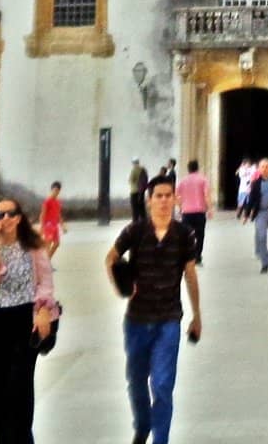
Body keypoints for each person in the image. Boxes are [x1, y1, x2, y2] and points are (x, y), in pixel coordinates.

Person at [106, 174, 201, 444]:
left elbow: (190, 275)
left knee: (161, 384)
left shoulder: (184, 234)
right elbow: (110, 259)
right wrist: (120, 287)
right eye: (158, 196)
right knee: (136, 381)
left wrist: (197, 316)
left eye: (167, 196)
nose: (163, 201)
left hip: (168, 320)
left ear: (175, 199)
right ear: (149, 201)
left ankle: (161, 439)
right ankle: (142, 424)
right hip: (136, 320)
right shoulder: (134, 231)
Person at [0, 197, 57, 444]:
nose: (5, 219)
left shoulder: (34, 246)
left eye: (10, 213)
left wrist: (42, 308)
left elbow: (46, 281)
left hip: (24, 321)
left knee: (19, 391)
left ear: (19, 217)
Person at [175, 161, 211, 266]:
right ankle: (198, 257)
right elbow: (206, 195)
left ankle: (187, 256)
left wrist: (180, 207)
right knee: (200, 235)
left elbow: (176, 195)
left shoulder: (183, 181)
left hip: (186, 212)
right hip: (199, 212)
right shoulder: (203, 179)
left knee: (187, 235)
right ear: (197, 168)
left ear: (188, 168)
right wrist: (210, 209)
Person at [38, 181, 67, 259]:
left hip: (55, 226)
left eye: (57, 191)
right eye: (54, 190)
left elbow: (58, 215)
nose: (56, 192)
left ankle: (47, 260)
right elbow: (42, 214)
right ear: (51, 190)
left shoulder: (57, 202)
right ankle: (46, 263)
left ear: (59, 191)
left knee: (57, 244)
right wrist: (41, 227)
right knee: (48, 244)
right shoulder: (47, 201)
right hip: (48, 225)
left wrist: (63, 226)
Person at [235, 157, 256, 223]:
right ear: (244, 164)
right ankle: (238, 214)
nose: (248, 165)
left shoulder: (252, 168)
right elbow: (241, 174)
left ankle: (248, 214)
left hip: (250, 189)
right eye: (246, 164)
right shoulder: (242, 170)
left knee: (249, 203)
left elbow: (255, 171)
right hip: (242, 189)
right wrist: (242, 168)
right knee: (240, 203)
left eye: (249, 164)